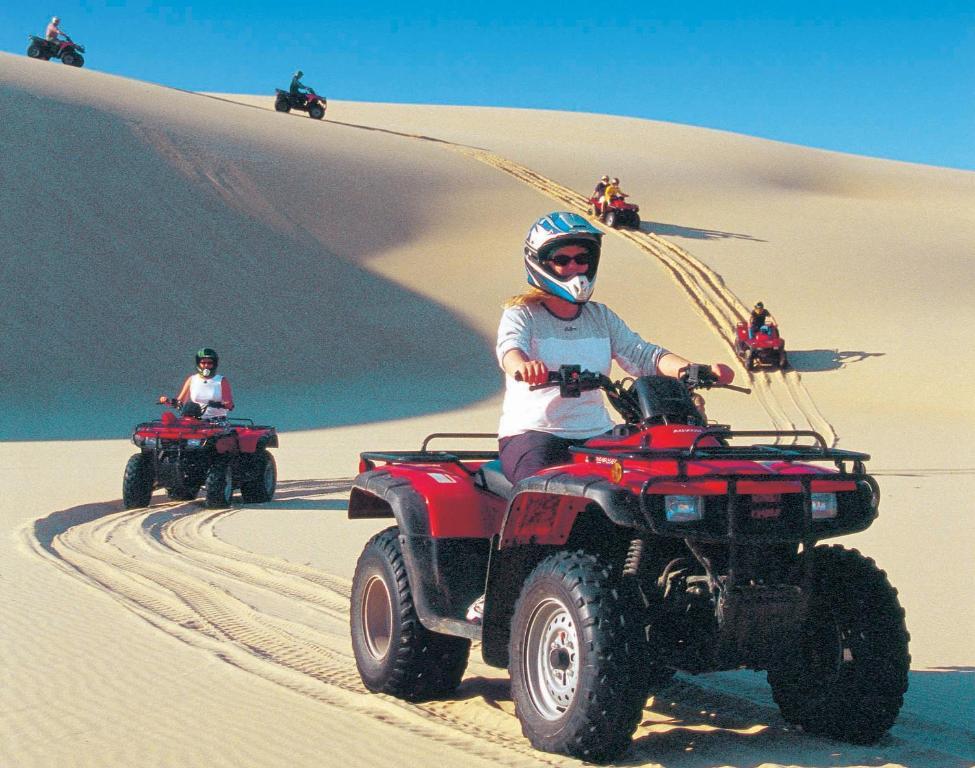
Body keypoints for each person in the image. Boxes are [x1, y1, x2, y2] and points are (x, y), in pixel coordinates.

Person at [496, 211, 733, 484]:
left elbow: (643, 355)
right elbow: (510, 349)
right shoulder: (523, 314)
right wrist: (523, 366)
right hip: (534, 434)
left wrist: (693, 370)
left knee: (650, 478)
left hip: (597, 432)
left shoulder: (600, 316)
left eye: (582, 259)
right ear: (541, 263)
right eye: (562, 260)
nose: (575, 267)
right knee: (539, 490)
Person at [171, 348, 234, 420]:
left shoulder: (221, 380)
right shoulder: (192, 379)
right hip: (194, 420)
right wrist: (169, 401)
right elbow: (180, 401)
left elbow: (229, 403)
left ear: (214, 364)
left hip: (216, 420)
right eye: (203, 363)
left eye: (209, 363)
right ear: (198, 364)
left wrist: (223, 404)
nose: (206, 365)